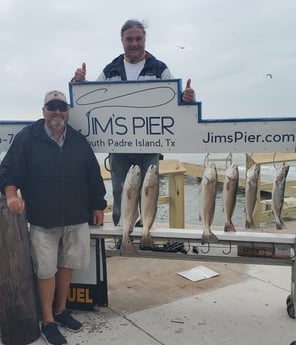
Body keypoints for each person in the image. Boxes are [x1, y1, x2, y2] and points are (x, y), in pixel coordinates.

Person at [0, 90, 107, 345]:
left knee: (67, 264)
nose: (57, 112)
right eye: (52, 107)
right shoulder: (27, 138)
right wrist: (12, 195)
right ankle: (48, 321)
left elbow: (93, 175)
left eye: (61, 107)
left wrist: (99, 205)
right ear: (43, 110)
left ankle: (61, 310)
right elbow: (8, 170)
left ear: (67, 111)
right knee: (45, 270)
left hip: (75, 216)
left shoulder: (78, 141)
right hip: (42, 219)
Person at [71, 19, 195, 227]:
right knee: (121, 191)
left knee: (150, 191)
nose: (134, 43)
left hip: (150, 147)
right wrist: (79, 84)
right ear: (122, 41)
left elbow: (176, 102)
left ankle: (146, 231)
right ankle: (124, 233)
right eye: (130, 39)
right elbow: (90, 98)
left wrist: (187, 98)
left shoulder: (159, 68)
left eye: (138, 38)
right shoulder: (110, 70)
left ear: (144, 40)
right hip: (119, 147)